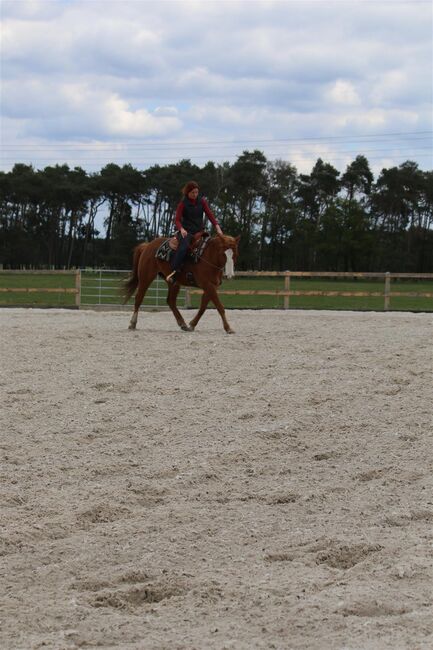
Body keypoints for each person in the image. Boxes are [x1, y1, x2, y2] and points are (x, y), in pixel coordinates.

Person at [166, 181, 223, 284]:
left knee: (210, 246)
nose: (195, 194)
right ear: (188, 193)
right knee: (183, 248)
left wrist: (217, 227)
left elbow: (210, 214)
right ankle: (174, 272)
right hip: (186, 232)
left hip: (199, 231)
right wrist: (181, 229)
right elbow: (177, 220)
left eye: (196, 192)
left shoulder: (202, 202)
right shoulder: (182, 204)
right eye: (193, 192)